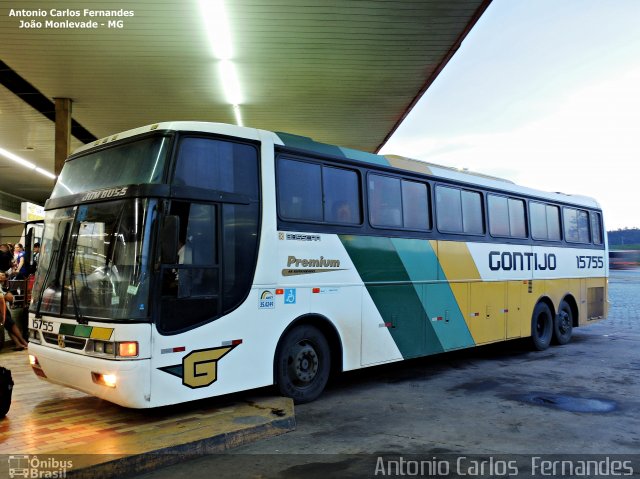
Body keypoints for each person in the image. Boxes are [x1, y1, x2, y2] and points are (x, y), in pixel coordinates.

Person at [0, 272, 28, 350]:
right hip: (2, 310)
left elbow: (10, 298)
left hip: (3, 309)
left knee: (11, 326)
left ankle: (21, 343)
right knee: (10, 326)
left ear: (5, 278)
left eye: (2, 275)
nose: (1, 276)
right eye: (0, 274)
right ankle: (20, 343)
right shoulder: (3, 287)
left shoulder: (5, 286)